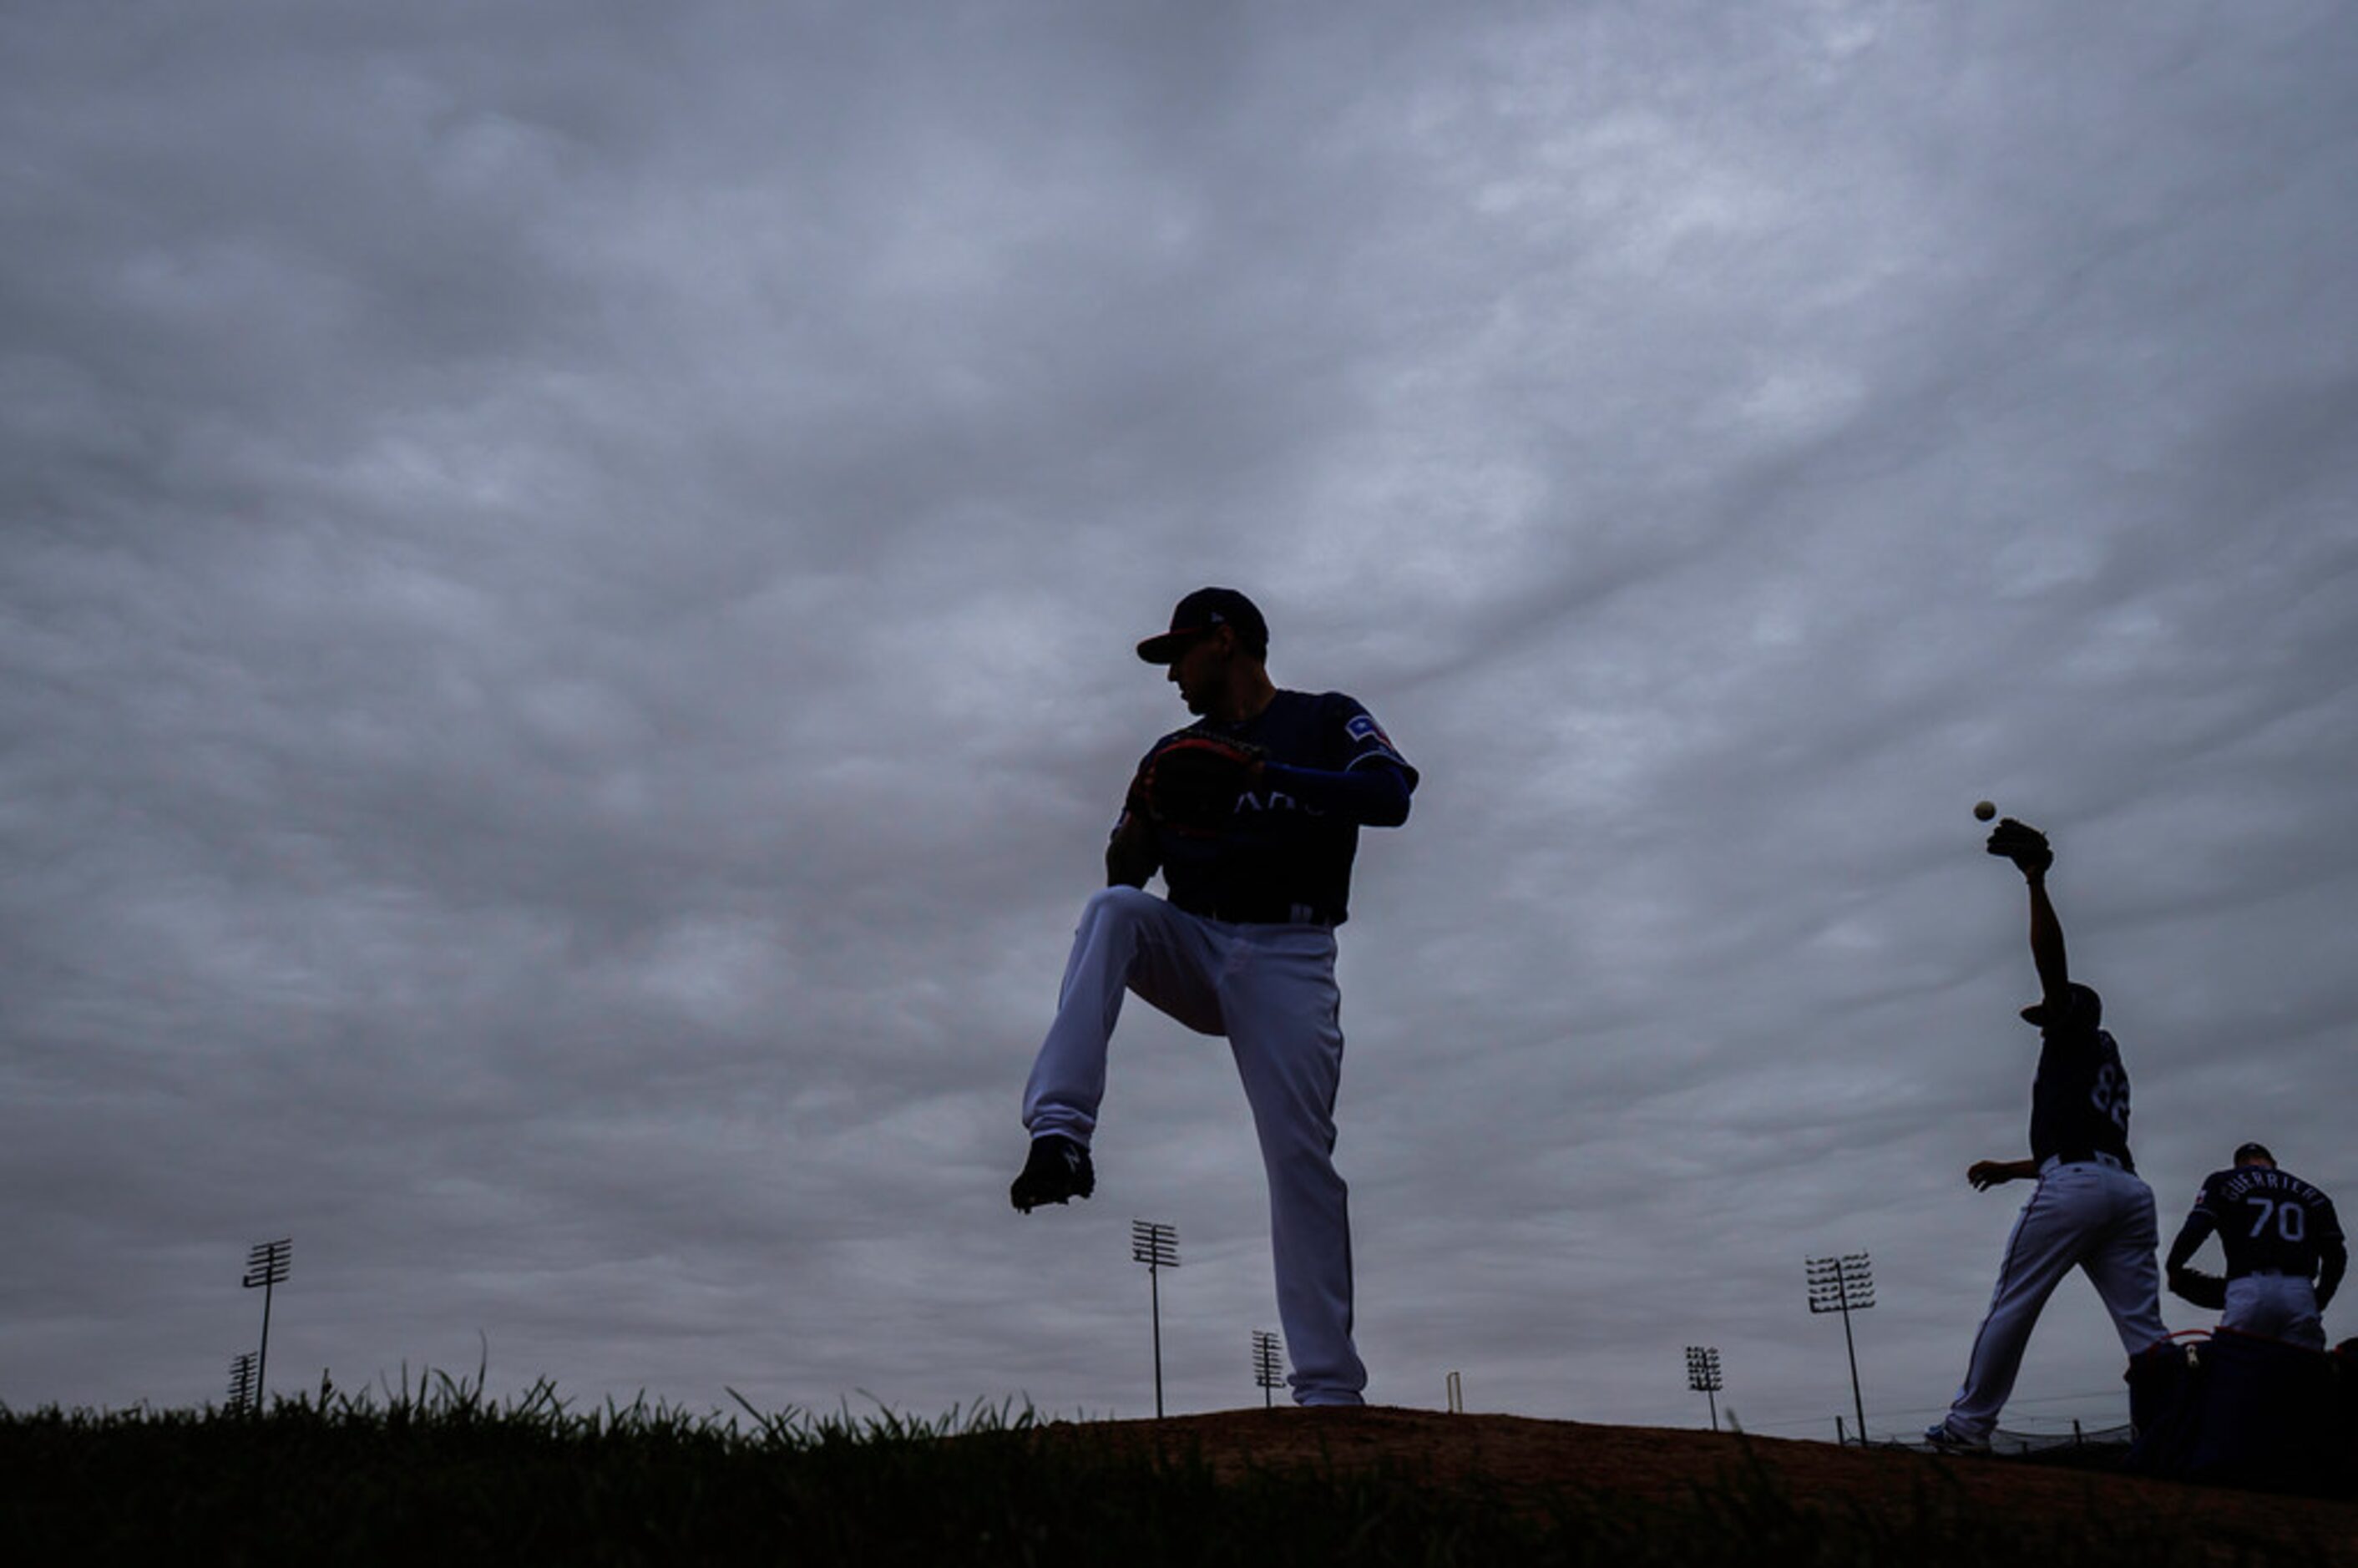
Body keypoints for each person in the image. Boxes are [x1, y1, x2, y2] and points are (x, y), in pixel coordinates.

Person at [1009, 587, 1417, 1409]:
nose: (1172, 678)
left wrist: (1269, 774)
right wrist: (1135, 816)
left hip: (1288, 957)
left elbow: (1390, 798)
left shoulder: (1322, 718)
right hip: (1195, 942)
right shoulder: (1174, 751)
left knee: (1298, 1155)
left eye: (1180, 655)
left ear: (1225, 642)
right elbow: (1125, 878)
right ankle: (1060, 1132)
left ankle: (1329, 1389)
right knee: (1112, 912)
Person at [1924, 818, 2169, 1454]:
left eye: (2047, 1011)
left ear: (2069, 1011)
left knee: (2014, 1303)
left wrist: (2035, 880)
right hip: (2127, 1191)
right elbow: (2083, 1144)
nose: (2040, 1020)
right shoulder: (2105, 1058)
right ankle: (2177, 1431)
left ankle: (1966, 1427)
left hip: (2079, 1186)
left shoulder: (2075, 1033)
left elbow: (2052, 963)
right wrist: (2013, 1168)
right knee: (2145, 1329)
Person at [2164, 1142, 2345, 1351]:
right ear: (2274, 1164)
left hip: (2248, 1288)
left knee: (2240, 1373)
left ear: (2238, 1166)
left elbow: (2198, 1226)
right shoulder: (2315, 1195)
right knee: (2301, 1378)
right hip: (2300, 1291)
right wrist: (2321, 1296)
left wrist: (2174, 1266)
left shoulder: (2223, 1181)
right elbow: (2336, 1255)